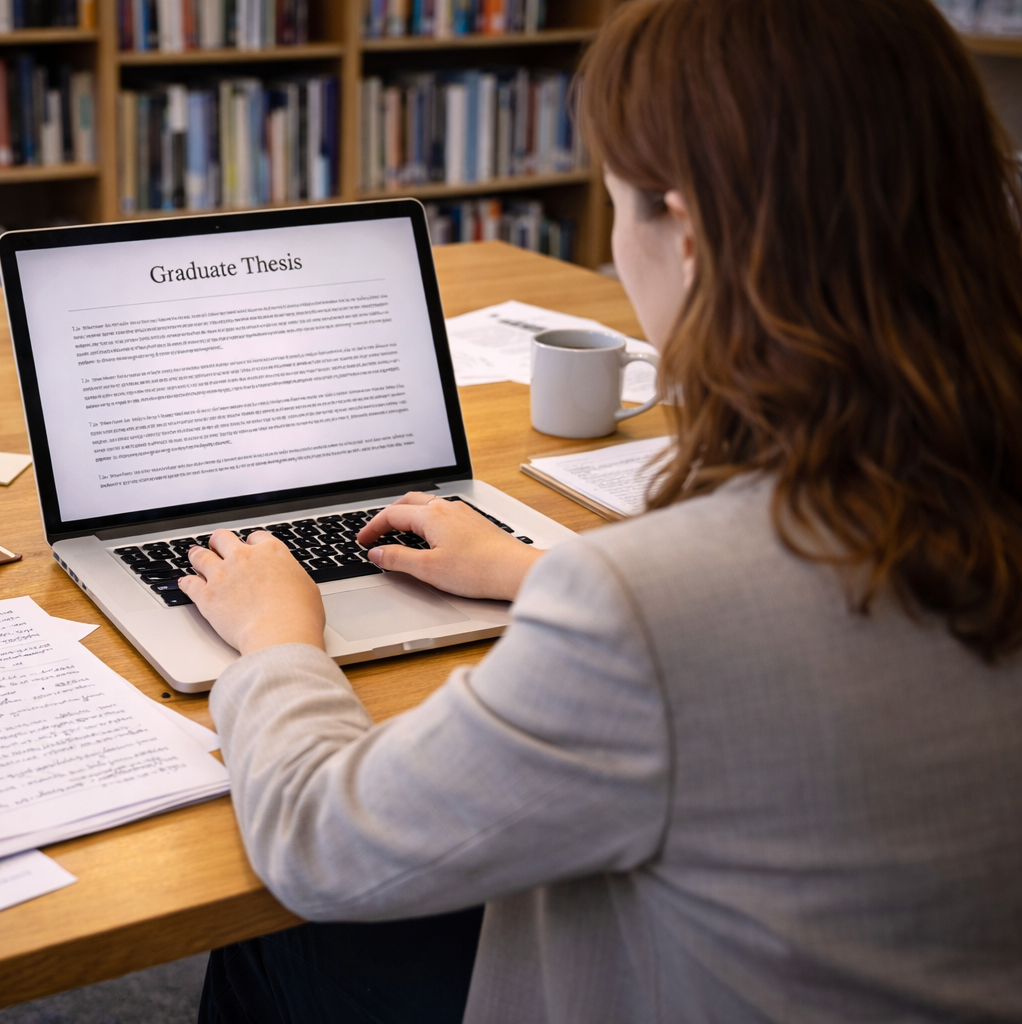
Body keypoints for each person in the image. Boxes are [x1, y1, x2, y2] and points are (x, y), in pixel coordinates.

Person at [179, 0, 1022, 1021]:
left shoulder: (653, 607)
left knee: (278, 943)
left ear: (693, 239)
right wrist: (528, 569)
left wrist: (277, 636)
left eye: (620, 203)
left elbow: (321, 842)